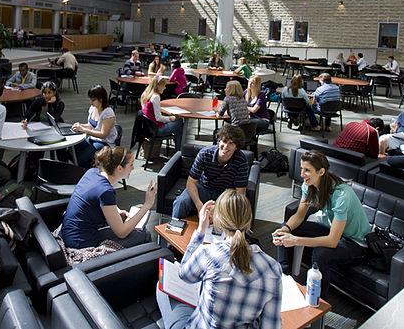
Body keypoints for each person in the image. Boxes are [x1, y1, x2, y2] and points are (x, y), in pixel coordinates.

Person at [157, 190, 282, 329]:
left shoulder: (208, 253)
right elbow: (271, 325)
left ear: (218, 221)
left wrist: (200, 230)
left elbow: (184, 275)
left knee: (161, 286)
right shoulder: (273, 268)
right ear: (249, 220)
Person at [273, 150, 371, 299]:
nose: (301, 174)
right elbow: (299, 216)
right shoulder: (309, 186)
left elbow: (332, 241)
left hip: (355, 243)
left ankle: (319, 300)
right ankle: (284, 277)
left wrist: (295, 240)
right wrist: (285, 229)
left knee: (321, 253)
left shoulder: (341, 195)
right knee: (286, 227)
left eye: (307, 170)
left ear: (321, 171)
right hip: (334, 230)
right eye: (301, 169)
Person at [60, 146, 155, 249]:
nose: (133, 168)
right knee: (144, 235)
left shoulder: (92, 172)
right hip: (81, 243)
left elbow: (99, 202)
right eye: (131, 164)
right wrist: (147, 205)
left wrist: (117, 212)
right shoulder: (106, 191)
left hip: (70, 234)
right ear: (119, 168)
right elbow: (121, 233)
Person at [171, 124, 249, 219]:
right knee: (181, 202)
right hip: (203, 188)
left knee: (236, 208)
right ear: (219, 141)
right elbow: (191, 182)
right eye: (224, 141)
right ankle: (174, 227)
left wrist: (218, 208)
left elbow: (239, 193)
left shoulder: (241, 161)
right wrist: (199, 206)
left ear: (236, 147)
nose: (226, 146)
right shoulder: (205, 153)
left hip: (225, 193)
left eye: (231, 143)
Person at [72, 84, 118, 168]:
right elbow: (91, 125)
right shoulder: (93, 108)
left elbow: (103, 134)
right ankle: (80, 170)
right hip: (93, 138)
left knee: (83, 158)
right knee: (73, 149)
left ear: (101, 99)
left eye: (93, 100)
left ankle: (86, 174)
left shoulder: (108, 113)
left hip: (105, 142)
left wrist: (83, 129)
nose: (91, 102)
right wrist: (80, 125)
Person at [140, 76, 184, 150]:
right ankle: (179, 149)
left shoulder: (147, 94)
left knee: (178, 128)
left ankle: (179, 150)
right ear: (158, 86)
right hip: (156, 130)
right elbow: (158, 118)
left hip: (147, 128)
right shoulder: (156, 97)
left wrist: (166, 113)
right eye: (164, 86)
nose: (165, 88)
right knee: (180, 122)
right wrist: (170, 118)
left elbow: (152, 109)